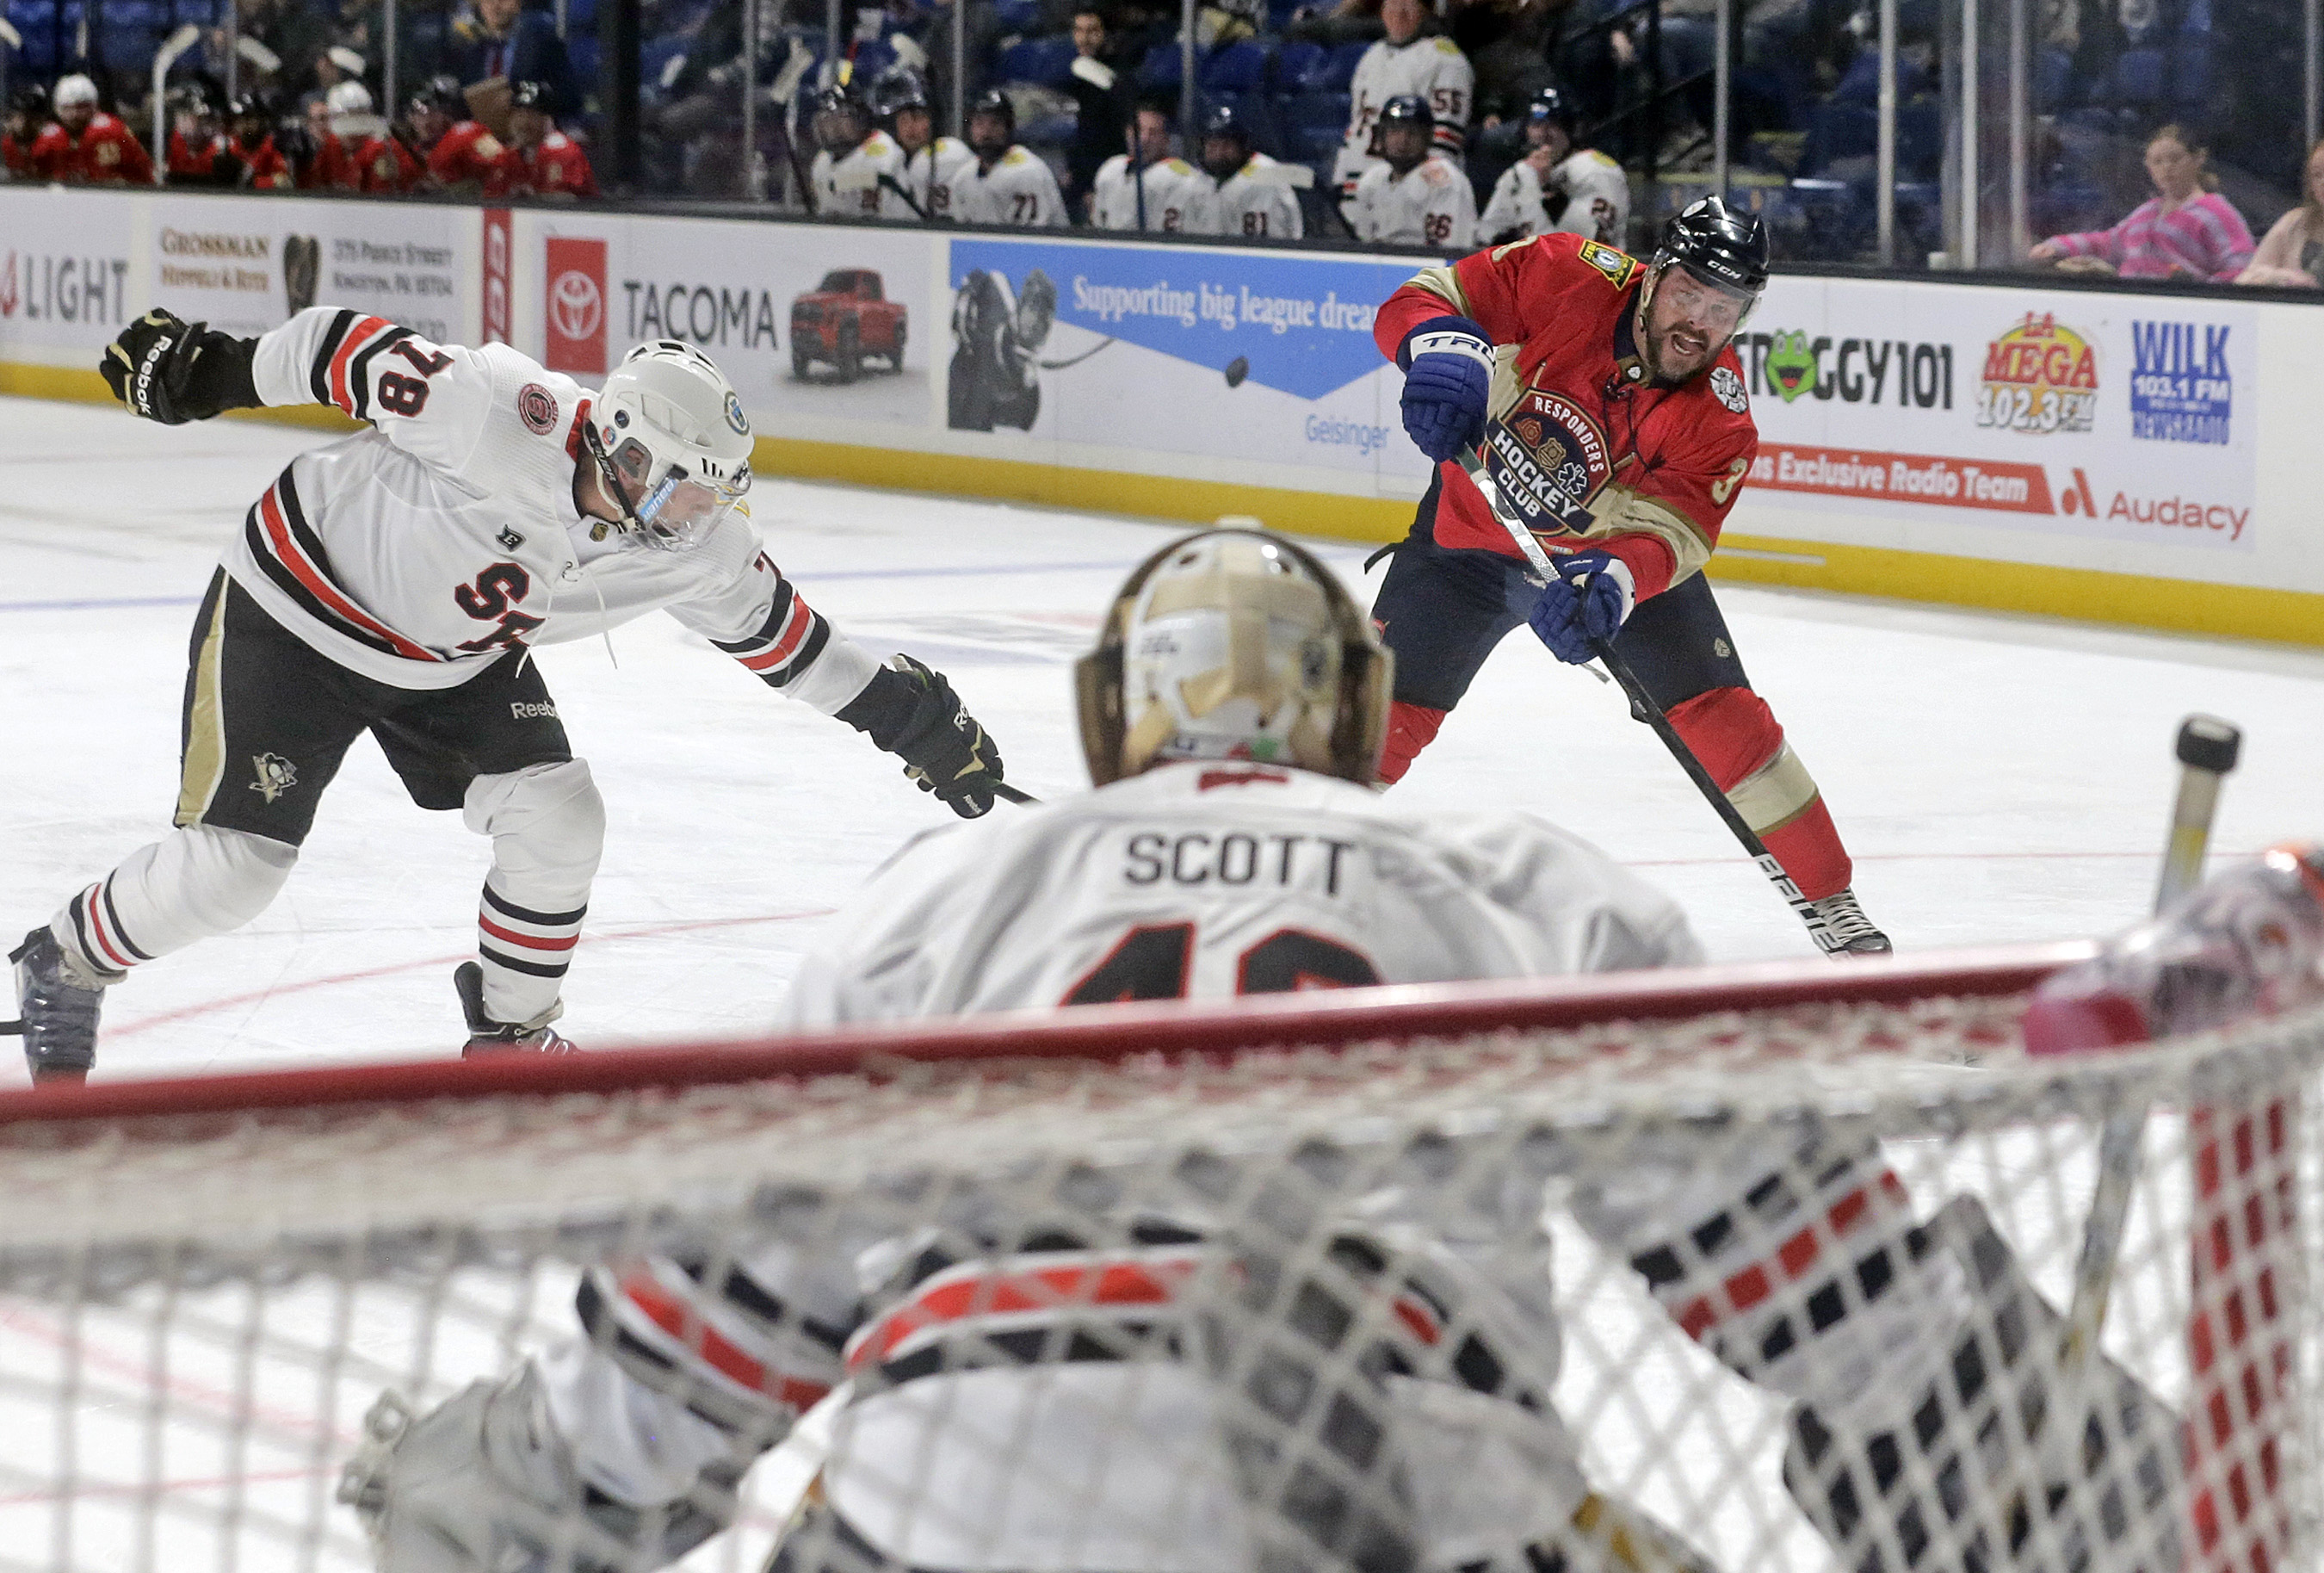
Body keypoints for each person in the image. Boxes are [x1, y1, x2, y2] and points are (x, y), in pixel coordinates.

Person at [335, 529, 2183, 1573]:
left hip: (952, 1501)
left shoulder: (942, 894)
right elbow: (1827, 1295)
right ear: (1362, 711)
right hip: (1409, 1465)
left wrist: (493, 1477)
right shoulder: (1513, 877)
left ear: (1110, 720)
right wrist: (2045, 1462)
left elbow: (695, 1350)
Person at [6, 313, 1010, 1085]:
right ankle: (65, 958)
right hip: (296, 612)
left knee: (561, 815)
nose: (704, 513)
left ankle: (511, 1037)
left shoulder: (694, 540)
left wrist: (913, 723)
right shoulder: (496, 409)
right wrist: (213, 370)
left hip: (452, 658)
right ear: (628, 453)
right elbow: (341, 349)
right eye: (690, 489)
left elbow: (790, 643)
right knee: (235, 874)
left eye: (717, 493)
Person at [1367, 198, 1888, 953]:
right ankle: (1275, 859)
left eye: (1722, 309)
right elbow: (1425, 297)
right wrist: (1440, 349)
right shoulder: (1562, 273)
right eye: (1687, 293)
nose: (1698, 322)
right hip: (1465, 544)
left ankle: (1835, 906)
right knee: (1371, 717)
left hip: (1602, 559)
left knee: (1726, 719)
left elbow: (1675, 533)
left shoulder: (1721, 417)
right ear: (1653, 276)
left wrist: (1614, 581)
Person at [2030, 122, 2255, 282]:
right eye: (2157, 162)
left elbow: (2240, 267)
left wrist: (2202, 295)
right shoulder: (2147, 212)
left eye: (2175, 159)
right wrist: (2058, 246)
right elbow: (2108, 242)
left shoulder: (2217, 212)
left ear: (2198, 159)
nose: (2166, 168)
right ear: (2148, 167)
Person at [1333, 0, 1473, 199]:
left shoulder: (1446, 59)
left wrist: (1425, 190)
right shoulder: (1372, 55)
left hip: (1412, 191)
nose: (1398, 12)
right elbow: (1357, 125)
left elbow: (1444, 141)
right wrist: (1340, 178)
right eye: (1392, 3)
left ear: (1426, 11)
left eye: (1408, 4)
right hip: (1359, 184)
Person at [1477, 85, 1625, 247]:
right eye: (1536, 124)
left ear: (1571, 130)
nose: (1542, 134)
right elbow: (1486, 237)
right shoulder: (1521, 172)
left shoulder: (1596, 171)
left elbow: (1584, 250)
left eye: (1552, 125)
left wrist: (1542, 192)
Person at [1347, 95, 1475, 249]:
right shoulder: (1371, 180)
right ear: (1381, 135)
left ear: (1428, 136)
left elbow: (1451, 252)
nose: (1403, 139)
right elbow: (1362, 245)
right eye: (1395, 130)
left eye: (1413, 132)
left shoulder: (1446, 182)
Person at [952, 90, 1070, 226]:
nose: (986, 132)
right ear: (970, 128)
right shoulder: (964, 176)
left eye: (995, 123)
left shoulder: (1029, 172)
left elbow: (1036, 235)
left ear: (1008, 128)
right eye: (979, 123)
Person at [1061, 5, 1135, 218]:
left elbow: (1110, 135)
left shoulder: (1119, 76)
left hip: (1108, 174)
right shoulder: (1069, 74)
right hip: (1080, 176)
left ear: (1104, 33)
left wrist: (1091, 185)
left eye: (1092, 31)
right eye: (1079, 30)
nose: (1085, 38)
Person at [1192, 101, 1303, 240]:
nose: (1219, 153)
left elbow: (1274, 242)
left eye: (1226, 145)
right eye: (1213, 146)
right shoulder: (1202, 179)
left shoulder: (1266, 175)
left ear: (1242, 145)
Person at [1090, 100, 1208, 231]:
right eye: (1139, 130)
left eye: (1154, 133)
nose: (1144, 139)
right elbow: (1098, 224)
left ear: (1166, 139)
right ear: (1127, 132)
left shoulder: (1181, 178)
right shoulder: (1111, 169)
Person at [448, 0, 578, 112]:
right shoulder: (473, 52)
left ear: (517, 4)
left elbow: (566, 94)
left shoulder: (541, 43)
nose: (495, 6)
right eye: (487, 1)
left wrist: (519, 95)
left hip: (530, 124)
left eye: (503, 0)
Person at [875, 67, 971, 220]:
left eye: (918, 118)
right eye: (903, 120)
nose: (910, 127)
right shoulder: (891, 161)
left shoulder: (952, 153)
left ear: (934, 120)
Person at [807, 82, 912, 220]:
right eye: (825, 118)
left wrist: (835, 182)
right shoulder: (822, 159)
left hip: (886, 228)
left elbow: (878, 178)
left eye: (840, 117)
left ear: (860, 117)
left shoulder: (881, 149)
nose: (831, 126)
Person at [30, 74, 155, 184]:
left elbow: (142, 173)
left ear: (94, 106)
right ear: (57, 109)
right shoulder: (49, 138)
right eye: (67, 108)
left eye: (81, 107)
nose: (74, 114)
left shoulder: (111, 131)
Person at [2237, 138, 2324, 288]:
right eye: (2317, 175)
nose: (2323, 182)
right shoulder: (2294, 222)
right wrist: (2284, 278)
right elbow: (2245, 279)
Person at [494, 77, 598, 200]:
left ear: (547, 119)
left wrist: (531, 197)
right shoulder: (512, 154)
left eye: (531, 114)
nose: (523, 123)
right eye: (518, 114)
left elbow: (564, 202)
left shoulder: (562, 151)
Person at [419, 74, 509, 193]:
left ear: (447, 112)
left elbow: (503, 165)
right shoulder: (422, 147)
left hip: (486, 202)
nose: (426, 120)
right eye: (422, 113)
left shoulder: (466, 135)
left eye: (433, 112)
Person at [164, 84, 238, 184]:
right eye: (182, 116)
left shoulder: (224, 147)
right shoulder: (176, 138)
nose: (183, 123)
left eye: (191, 117)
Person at [224, 93, 297, 188]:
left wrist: (253, 182)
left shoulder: (272, 147)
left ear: (261, 121)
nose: (244, 124)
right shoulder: (228, 147)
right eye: (239, 119)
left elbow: (285, 182)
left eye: (249, 119)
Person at [3, 83, 47, 178]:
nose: (24, 123)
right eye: (19, 116)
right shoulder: (3, 146)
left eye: (31, 117)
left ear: (41, 120)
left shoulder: (51, 145)